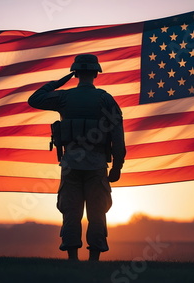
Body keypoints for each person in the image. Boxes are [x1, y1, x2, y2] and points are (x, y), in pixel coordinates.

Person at [28, 54, 126, 261]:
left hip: (71, 163)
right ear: (96, 73)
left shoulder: (64, 97)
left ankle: (72, 257)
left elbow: (34, 99)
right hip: (97, 164)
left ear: (76, 73)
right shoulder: (105, 99)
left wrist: (60, 81)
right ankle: (94, 259)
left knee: (71, 211)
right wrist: (117, 166)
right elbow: (117, 135)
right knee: (97, 212)